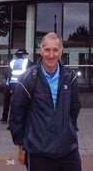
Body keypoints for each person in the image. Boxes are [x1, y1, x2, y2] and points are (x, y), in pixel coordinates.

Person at [9, 33, 82, 171]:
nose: (51, 55)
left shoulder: (70, 77)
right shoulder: (28, 79)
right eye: (47, 50)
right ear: (41, 51)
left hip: (68, 150)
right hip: (38, 152)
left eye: (55, 50)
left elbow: (75, 108)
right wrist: (21, 145)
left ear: (61, 52)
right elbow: (16, 114)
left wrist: (68, 129)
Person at [1, 49, 32, 123]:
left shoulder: (12, 62)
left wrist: (9, 83)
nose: (25, 56)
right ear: (23, 55)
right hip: (19, 85)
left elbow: (6, 73)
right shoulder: (26, 61)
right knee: (16, 103)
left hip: (9, 84)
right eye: (25, 54)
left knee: (6, 102)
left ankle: (4, 117)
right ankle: (13, 120)